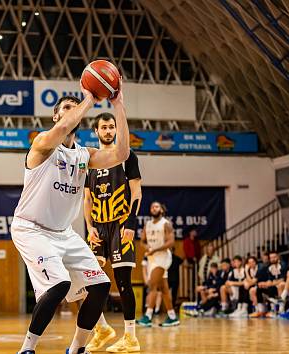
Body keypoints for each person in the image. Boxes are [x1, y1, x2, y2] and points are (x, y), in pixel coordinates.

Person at [10, 80, 130, 354]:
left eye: (74, 109)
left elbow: (121, 153)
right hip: (31, 229)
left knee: (100, 286)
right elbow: (63, 128)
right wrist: (89, 100)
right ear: (55, 115)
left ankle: (76, 349)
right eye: (66, 108)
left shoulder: (84, 155)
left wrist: (118, 104)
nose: (72, 111)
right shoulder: (42, 143)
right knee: (60, 283)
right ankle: (27, 349)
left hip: (63, 233)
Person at [83, 112, 142, 353]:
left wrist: (131, 223)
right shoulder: (91, 160)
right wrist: (89, 227)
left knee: (123, 283)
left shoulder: (126, 156)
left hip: (120, 224)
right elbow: (86, 198)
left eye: (111, 127)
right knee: (89, 280)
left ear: (116, 130)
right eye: (103, 127)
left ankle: (130, 338)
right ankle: (102, 328)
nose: (108, 131)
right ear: (96, 131)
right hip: (98, 228)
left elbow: (136, 192)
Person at [136, 202, 179, 327]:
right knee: (164, 289)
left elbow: (171, 242)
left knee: (152, 286)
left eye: (156, 207)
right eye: (152, 207)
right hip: (152, 259)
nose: (154, 208)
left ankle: (148, 316)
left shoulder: (166, 224)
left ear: (161, 210)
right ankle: (172, 317)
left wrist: (156, 249)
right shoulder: (147, 224)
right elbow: (142, 241)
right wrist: (147, 247)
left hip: (163, 258)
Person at [250, 250, 286, 317]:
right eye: (271, 258)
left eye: (274, 257)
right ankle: (261, 310)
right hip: (274, 286)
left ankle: (281, 310)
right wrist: (264, 283)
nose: (273, 259)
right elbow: (270, 280)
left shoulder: (283, 265)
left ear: (278, 256)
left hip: (283, 286)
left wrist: (271, 284)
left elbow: (282, 279)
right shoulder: (270, 267)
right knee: (259, 287)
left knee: (281, 285)